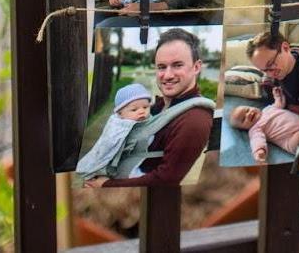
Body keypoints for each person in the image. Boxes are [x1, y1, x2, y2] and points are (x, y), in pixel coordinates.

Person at [83, 29, 216, 189]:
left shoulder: (194, 120)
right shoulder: (156, 106)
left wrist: (106, 185)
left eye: (177, 65)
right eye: (161, 67)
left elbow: (166, 180)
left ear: (196, 67)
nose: (167, 75)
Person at [76, 83, 156, 182]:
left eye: (145, 107)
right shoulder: (118, 126)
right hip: (119, 163)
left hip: (137, 158)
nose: (141, 111)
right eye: (134, 109)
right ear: (120, 113)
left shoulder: (149, 120)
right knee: (132, 174)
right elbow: (107, 145)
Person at [229, 86, 299, 163]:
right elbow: (257, 140)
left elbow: (279, 104)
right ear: (244, 128)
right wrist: (259, 151)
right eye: (243, 119)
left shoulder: (268, 109)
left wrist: (277, 95)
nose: (248, 114)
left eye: (247, 110)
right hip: (291, 138)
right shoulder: (255, 129)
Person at [246, 31, 299, 114]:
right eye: (264, 70)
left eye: (271, 64)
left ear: (285, 48)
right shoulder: (268, 84)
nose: (270, 74)